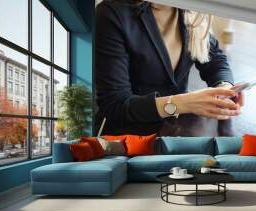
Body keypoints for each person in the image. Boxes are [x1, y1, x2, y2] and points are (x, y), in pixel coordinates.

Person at [95, 0, 244, 135]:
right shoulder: (111, 13)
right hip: (130, 137)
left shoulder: (191, 12)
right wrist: (184, 103)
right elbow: (115, 105)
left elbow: (215, 60)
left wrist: (225, 87)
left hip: (174, 130)